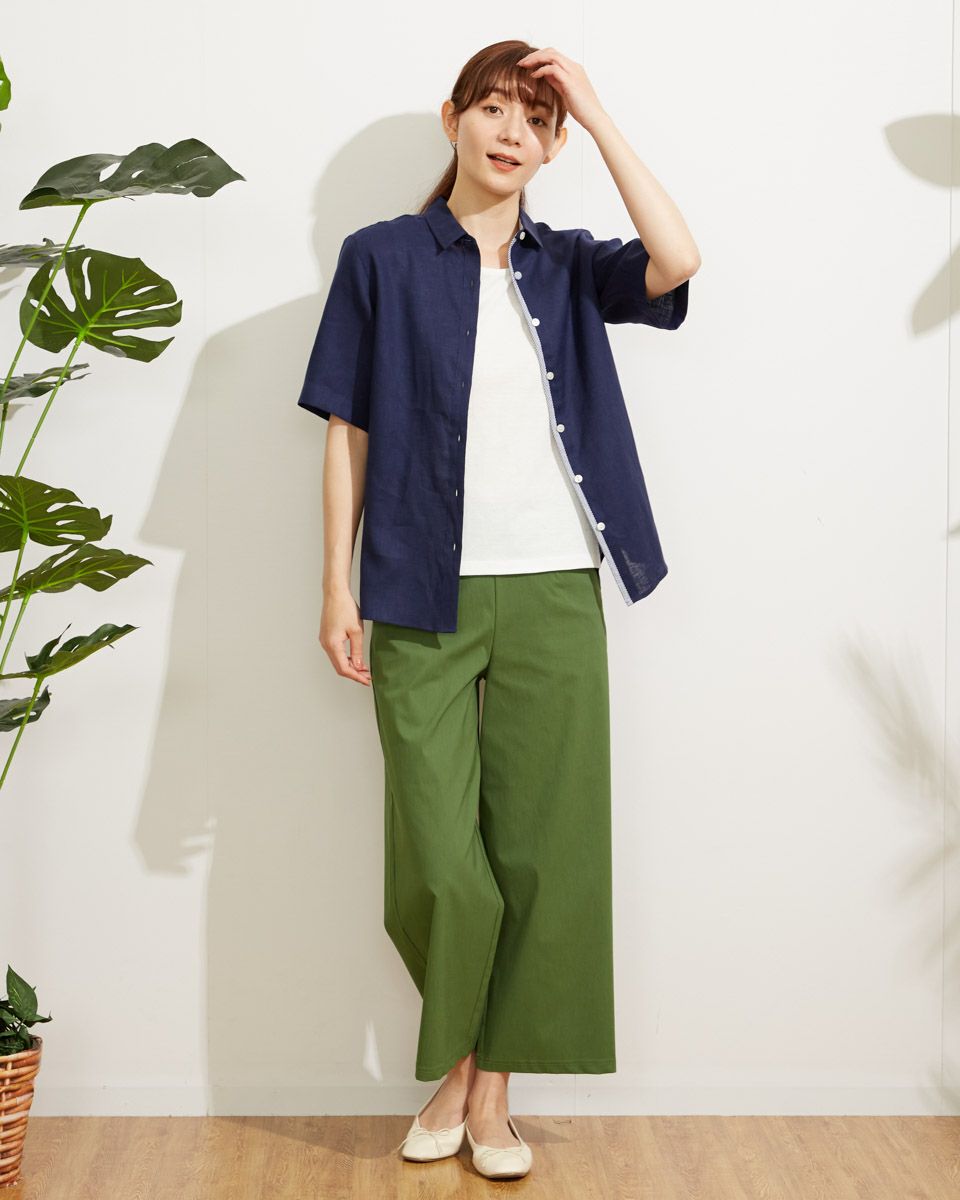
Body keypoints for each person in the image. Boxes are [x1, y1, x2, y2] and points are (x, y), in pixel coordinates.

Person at [298, 39, 700, 1182]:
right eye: (492, 108)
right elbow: (346, 429)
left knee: (544, 854)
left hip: (555, 585)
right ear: (453, 119)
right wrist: (335, 583)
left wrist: (598, 111)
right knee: (440, 861)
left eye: (535, 118)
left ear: (555, 143)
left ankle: (486, 1092)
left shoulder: (569, 264)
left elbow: (678, 259)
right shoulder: (381, 257)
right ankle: (468, 1063)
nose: (511, 132)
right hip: (419, 587)